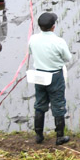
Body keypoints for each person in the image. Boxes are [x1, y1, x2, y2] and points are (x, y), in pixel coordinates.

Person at [28, 11, 74, 145]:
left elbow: (31, 52)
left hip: (39, 76)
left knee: (40, 104)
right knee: (58, 105)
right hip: (55, 76)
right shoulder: (58, 41)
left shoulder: (33, 39)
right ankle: (59, 136)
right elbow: (67, 58)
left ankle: (38, 136)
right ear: (53, 26)